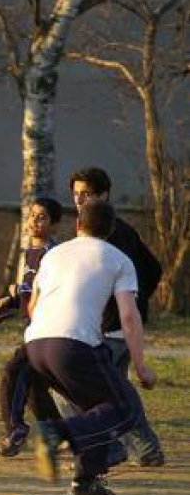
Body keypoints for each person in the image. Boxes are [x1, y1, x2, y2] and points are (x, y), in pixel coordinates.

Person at [27, 199, 157, 495]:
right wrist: (140, 366)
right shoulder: (118, 259)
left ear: (77, 225)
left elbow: (34, 305)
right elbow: (128, 315)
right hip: (71, 345)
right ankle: (55, 432)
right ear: (110, 230)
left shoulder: (53, 254)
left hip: (34, 344)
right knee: (123, 408)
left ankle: (85, 482)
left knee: (96, 408)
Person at [65, 167, 164, 466]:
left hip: (111, 328)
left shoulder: (113, 234)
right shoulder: (105, 229)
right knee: (114, 389)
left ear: (103, 195)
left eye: (87, 194)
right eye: (77, 194)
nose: (80, 199)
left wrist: (128, 304)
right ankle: (143, 450)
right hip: (108, 326)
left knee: (76, 386)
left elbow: (150, 270)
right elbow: (153, 269)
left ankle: (112, 447)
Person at [0, 197, 63, 456]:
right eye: (32, 215)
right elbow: (27, 293)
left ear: (54, 225)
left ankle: (15, 432)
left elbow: (52, 294)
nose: (34, 220)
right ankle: (57, 433)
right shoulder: (28, 253)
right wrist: (10, 300)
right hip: (33, 330)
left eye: (42, 216)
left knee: (13, 372)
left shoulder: (54, 255)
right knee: (34, 386)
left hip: (47, 332)